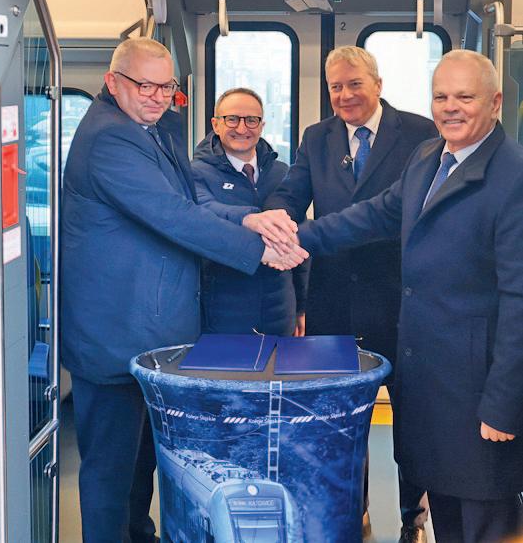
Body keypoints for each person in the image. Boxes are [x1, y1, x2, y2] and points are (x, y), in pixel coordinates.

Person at [61, 37, 306, 543]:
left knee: (140, 463)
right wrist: (259, 249)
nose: (156, 96)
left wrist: (249, 219)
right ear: (112, 83)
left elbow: (188, 203)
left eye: (165, 86)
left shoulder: (151, 129)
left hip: (144, 334)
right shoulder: (110, 139)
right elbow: (172, 216)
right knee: (110, 472)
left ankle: (139, 535)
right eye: (144, 85)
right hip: (114, 335)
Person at [298, 49, 523, 543]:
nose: (450, 108)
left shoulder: (513, 177)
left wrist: (504, 403)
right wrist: (297, 238)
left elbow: (519, 302)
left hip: (478, 392)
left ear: (495, 102)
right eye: (441, 97)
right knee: (447, 513)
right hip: (432, 382)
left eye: (465, 97)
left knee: (485, 519)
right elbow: (374, 214)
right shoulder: (428, 158)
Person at [265, 45, 438, 541]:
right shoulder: (316, 137)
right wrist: (275, 224)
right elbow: (291, 194)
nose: (344, 95)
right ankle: (352, 515)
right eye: (335, 87)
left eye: (354, 84)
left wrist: (303, 237)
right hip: (333, 303)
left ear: (377, 84)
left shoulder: (421, 134)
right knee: (340, 423)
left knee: (412, 423)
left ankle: (413, 519)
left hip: (401, 301)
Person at [192, 87, 308, 336]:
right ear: (216, 124)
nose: (242, 128)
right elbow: (205, 211)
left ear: (262, 125)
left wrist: (301, 306)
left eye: (251, 120)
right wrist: (251, 219)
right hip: (222, 313)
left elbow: (301, 237)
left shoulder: (282, 172)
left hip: (280, 311)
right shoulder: (196, 173)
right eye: (232, 119)